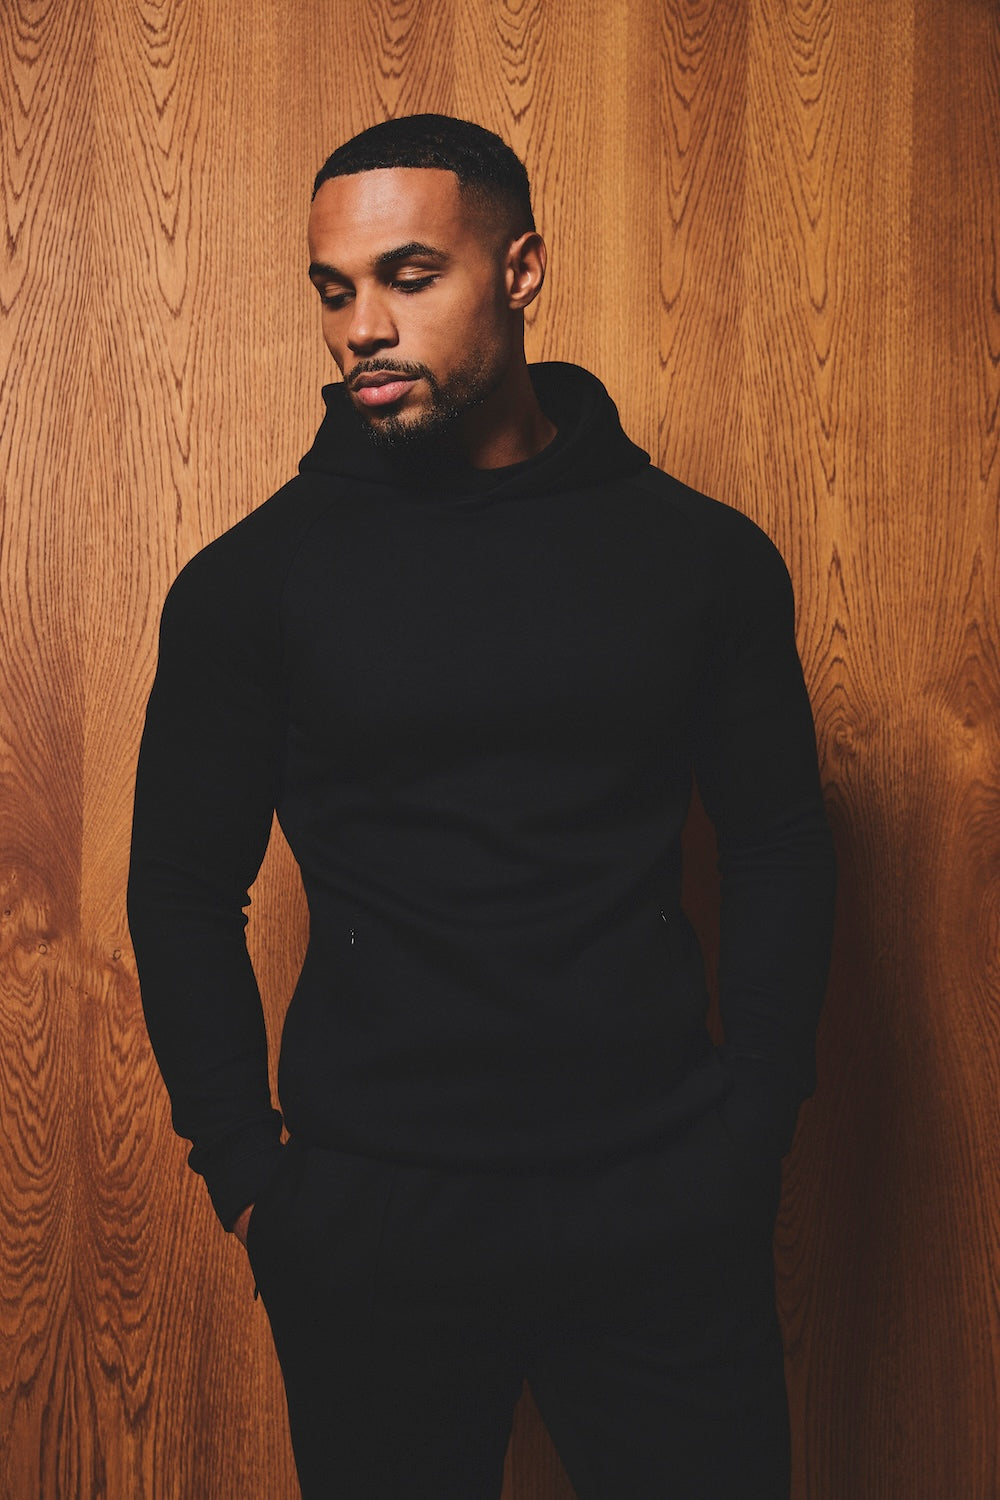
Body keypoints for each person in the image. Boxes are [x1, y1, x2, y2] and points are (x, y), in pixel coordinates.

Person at [127, 113, 836, 1500]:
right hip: (371, 1220)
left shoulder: (700, 558)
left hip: (662, 1199)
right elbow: (182, 890)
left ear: (520, 270)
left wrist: (753, 1122)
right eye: (334, 289)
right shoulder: (250, 583)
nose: (362, 328)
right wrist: (253, 1178)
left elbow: (777, 842)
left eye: (408, 276)